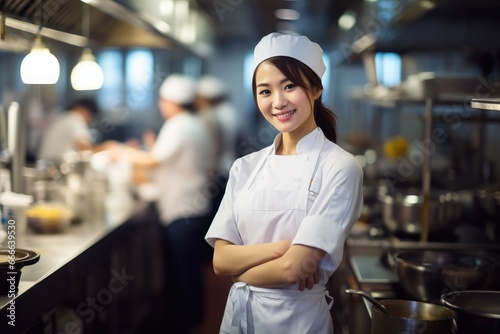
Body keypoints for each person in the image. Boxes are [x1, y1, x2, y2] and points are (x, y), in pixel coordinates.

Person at [204, 32, 364, 333]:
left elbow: (295, 268)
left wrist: (241, 274)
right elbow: (221, 261)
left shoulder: (340, 167)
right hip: (239, 319)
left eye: (289, 86)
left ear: (315, 88)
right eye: (265, 91)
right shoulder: (245, 167)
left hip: (299, 323)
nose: (278, 102)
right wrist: (281, 249)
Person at [111, 73, 216, 333]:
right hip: (194, 207)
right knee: (188, 270)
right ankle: (192, 320)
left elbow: (154, 160)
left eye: (163, 100)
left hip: (183, 210)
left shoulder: (178, 124)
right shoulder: (194, 122)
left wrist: (120, 150)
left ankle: (185, 324)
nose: (161, 105)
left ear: (172, 101)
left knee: (184, 272)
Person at [196, 75, 241, 217]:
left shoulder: (214, 115)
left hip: (219, 170)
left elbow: (214, 147)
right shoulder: (232, 111)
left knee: (217, 213)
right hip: (230, 166)